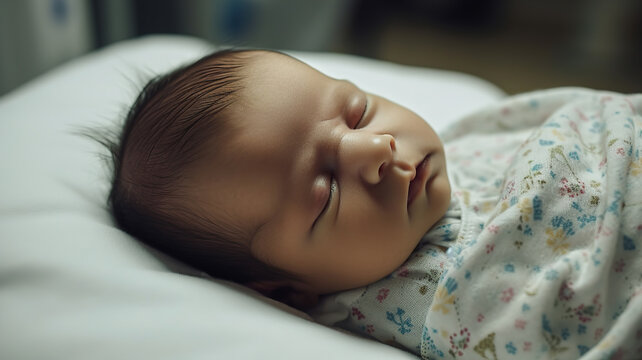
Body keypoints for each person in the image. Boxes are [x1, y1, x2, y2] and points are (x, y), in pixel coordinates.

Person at [105, 48, 641, 359]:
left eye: (358, 113)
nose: (376, 149)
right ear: (289, 289)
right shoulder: (437, 299)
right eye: (326, 191)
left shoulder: (454, 152)